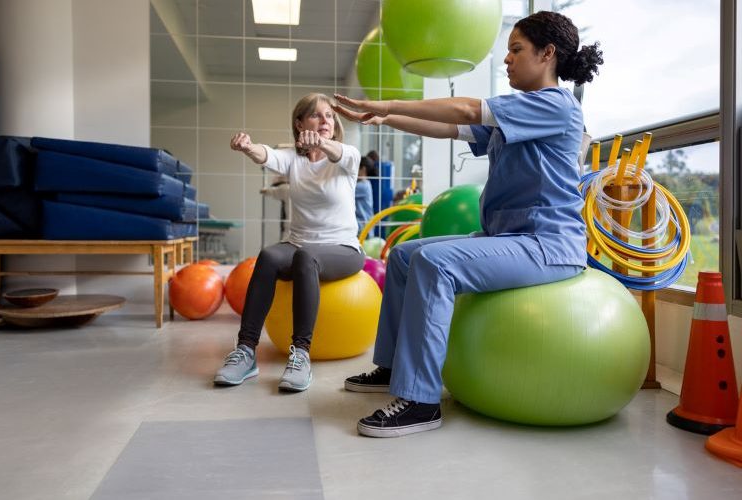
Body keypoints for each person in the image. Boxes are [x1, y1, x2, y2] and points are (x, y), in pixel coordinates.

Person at [333, 10, 603, 437]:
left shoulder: (557, 106)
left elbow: (463, 106)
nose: (507, 60)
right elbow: (453, 128)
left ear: (548, 54)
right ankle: (391, 368)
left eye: (516, 50)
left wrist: (388, 102)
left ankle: (421, 401)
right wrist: (386, 119)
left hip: (547, 245)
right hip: (508, 238)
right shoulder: (517, 113)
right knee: (404, 254)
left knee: (436, 264)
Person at [214, 93, 365, 392]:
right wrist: (247, 147)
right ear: (299, 124)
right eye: (316, 115)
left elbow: (336, 152)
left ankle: (301, 355)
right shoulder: (294, 162)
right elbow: (266, 154)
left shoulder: (346, 157)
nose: (325, 121)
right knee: (269, 256)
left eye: (329, 116)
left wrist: (321, 142)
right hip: (299, 244)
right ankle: (245, 351)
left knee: (306, 257)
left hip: (343, 249)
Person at [355, 156, 375, 237]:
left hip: (363, 229)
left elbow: (344, 191)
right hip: (363, 227)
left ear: (363, 169)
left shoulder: (363, 186)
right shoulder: (364, 184)